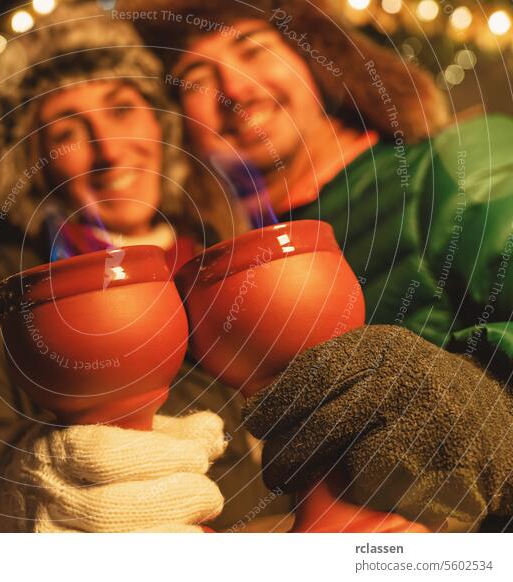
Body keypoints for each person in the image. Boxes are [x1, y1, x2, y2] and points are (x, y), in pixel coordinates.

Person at [0, 2, 294, 532]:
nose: (109, 149)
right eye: (66, 132)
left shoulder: (228, 256)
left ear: (158, 123)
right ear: (33, 168)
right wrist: (37, 486)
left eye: (122, 108)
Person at [122, 0, 513, 529]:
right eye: (195, 78)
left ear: (320, 64)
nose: (233, 90)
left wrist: (487, 417)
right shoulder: (214, 282)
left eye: (252, 50)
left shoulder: (457, 163)